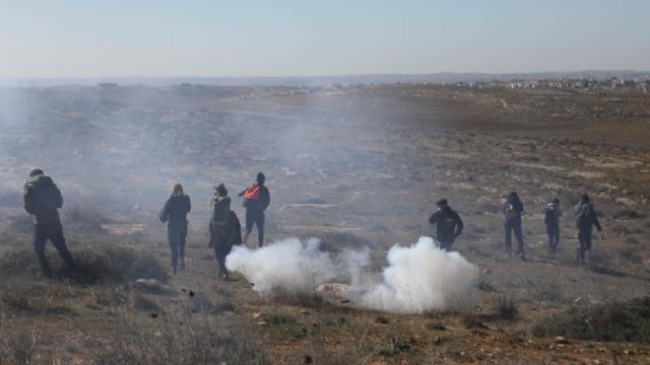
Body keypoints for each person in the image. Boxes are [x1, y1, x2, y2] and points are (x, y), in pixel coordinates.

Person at [23, 169, 80, 279]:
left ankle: (47, 274)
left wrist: (37, 212)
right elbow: (59, 203)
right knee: (62, 249)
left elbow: (28, 207)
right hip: (54, 222)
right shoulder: (52, 185)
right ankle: (75, 272)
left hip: (40, 223)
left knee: (39, 249)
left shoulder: (28, 186)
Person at [209, 184, 242, 279]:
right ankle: (223, 271)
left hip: (217, 231)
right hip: (228, 231)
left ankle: (223, 272)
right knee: (225, 251)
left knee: (219, 251)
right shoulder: (227, 204)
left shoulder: (217, 202)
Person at [159, 183, 191, 274]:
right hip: (183, 224)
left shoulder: (171, 199)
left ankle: (174, 267)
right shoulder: (186, 198)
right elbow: (188, 209)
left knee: (173, 245)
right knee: (181, 243)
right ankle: (182, 262)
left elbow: (163, 214)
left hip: (173, 224)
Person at [238, 172, 270, 247]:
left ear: (256, 180)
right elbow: (268, 201)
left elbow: (239, 194)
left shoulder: (251, 187)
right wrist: (263, 208)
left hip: (249, 211)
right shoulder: (265, 189)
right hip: (259, 212)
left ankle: (243, 245)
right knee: (260, 229)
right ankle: (260, 248)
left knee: (248, 229)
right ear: (263, 180)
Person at [574, 194, 602, 265]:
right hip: (586, 228)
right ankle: (579, 252)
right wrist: (598, 227)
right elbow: (593, 217)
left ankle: (581, 260)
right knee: (587, 246)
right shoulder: (588, 207)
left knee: (582, 244)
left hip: (578, 228)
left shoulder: (577, 207)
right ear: (587, 199)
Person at [503, 191, 526, 261]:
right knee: (519, 237)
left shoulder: (507, 202)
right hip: (517, 222)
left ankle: (508, 252)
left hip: (507, 222)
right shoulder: (519, 202)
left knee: (508, 237)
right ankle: (521, 253)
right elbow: (521, 211)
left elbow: (503, 210)